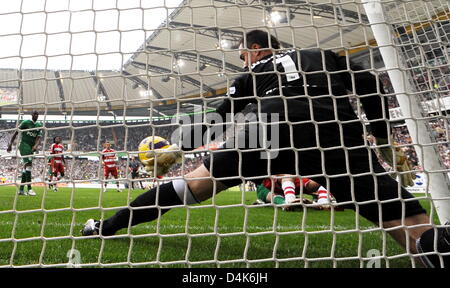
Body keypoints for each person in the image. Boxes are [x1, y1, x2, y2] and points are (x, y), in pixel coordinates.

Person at [82, 30, 449, 267]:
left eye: (242, 55)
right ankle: (434, 249)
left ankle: (106, 226)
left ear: (255, 49)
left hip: (267, 127)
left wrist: (179, 147)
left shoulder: (252, 74)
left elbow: (220, 118)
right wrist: (382, 139)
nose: (242, 61)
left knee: (191, 187)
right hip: (332, 128)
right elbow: (368, 82)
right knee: (409, 222)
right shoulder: (324, 56)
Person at [7, 111, 42, 196]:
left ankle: (21, 190)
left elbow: (38, 138)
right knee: (29, 164)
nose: (36, 116)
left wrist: (35, 146)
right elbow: (16, 133)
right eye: (34, 114)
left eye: (37, 114)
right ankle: (29, 189)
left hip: (31, 147)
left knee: (26, 167)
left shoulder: (39, 125)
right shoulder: (25, 122)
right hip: (23, 145)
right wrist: (10, 144)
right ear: (31, 115)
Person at [255, 175, 337, 210]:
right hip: (271, 188)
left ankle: (323, 200)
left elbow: (310, 184)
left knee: (312, 184)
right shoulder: (263, 184)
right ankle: (287, 201)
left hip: (288, 185)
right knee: (268, 195)